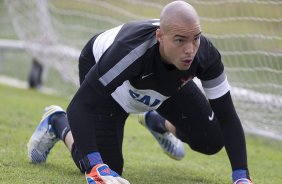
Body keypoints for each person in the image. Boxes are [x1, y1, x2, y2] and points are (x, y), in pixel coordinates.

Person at [27, 1, 254, 184]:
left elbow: (226, 116)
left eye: (195, 38)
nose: (190, 50)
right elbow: (80, 105)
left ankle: (156, 121)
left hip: (164, 86)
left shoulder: (204, 55)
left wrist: (242, 177)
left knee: (211, 140)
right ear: (160, 37)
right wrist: (95, 167)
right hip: (112, 85)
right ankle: (57, 123)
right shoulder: (129, 53)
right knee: (109, 167)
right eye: (180, 40)